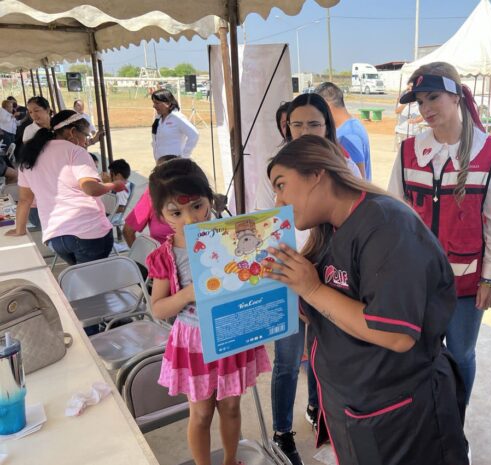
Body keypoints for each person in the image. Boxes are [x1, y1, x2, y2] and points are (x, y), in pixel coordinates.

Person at [266, 135, 470, 465]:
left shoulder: (387, 225)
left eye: (281, 185)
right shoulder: (331, 229)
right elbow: (326, 312)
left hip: (400, 414)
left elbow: (396, 334)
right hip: (356, 406)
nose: (278, 201)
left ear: (317, 174)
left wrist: (312, 289)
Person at [387, 62, 491, 420]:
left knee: (460, 355)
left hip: (467, 283)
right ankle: (427, 422)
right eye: (420, 101)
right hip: (418, 282)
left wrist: (490, 277)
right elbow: (396, 214)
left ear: (456, 95)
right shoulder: (408, 151)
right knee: (419, 353)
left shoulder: (490, 152)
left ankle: (454, 423)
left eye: (433, 98)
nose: (426, 109)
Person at [146, 158, 270, 465]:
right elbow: (158, 309)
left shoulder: (234, 239)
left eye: (197, 206)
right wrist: (190, 292)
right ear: (161, 214)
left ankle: (230, 460)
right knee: (200, 413)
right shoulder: (166, 255)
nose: (190, 219)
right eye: (176, 212)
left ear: (209, 200)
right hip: (194, 341)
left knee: (231, 407)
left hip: (233, 331)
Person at [259, 91, 360, 465]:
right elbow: (259, 227)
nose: (305, 131)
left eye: (314, 124)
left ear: (327, 126)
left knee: (324, 354)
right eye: (297, 124)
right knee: (287, 359)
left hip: (332, 280)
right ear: (286, 126)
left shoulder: (344, 166)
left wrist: (319, 282)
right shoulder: (276, 169)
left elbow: (353, 223)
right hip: (286, 275)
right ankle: (282, 432)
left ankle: (321, 414)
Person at [5, 110, 124, 265]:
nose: (86, 141)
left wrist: (19, 230)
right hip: (89, 233)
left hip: (55, 238)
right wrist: (113, 185)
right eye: (86, 135)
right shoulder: (76, 152)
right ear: (72, 132)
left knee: (81, 277)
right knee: (92, 280)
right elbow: (90, 188)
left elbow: (24, 200)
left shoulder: (30, 157)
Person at [315, 82, 372, 179]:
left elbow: (357, 180)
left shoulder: (349, 135)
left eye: (317, 108)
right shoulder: (350, 126)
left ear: (326, 106)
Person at [123, 155, 178, 247]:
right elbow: (128, 231)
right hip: (162, 259)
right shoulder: (151, 195)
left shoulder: (195, 196)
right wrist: (141, 259)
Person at [151, 89, 199, 161]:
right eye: (154, 103)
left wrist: (184, 156)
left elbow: (194, 135)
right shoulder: (158, 118)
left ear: (168, 103)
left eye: (157, 103)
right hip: (161, 162)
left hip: (175, 163)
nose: (154, 106)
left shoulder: (177, 118)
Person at [394, 82, 424, 148]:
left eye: (412, 87)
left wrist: (415, 120)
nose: (410, 89)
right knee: (400, 154)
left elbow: (422, 117)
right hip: (401, 131)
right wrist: (406, 101)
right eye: (409, 87)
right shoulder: (402, 101)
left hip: (413, 133)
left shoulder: (419, 103)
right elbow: (397, 111)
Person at [107, 158, 132, 225]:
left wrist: (106, 209)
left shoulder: (122, 189)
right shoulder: (124, 185)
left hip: (112, 218)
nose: (109, 176)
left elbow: (121, 208)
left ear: (118, 176)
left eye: (111, 174)